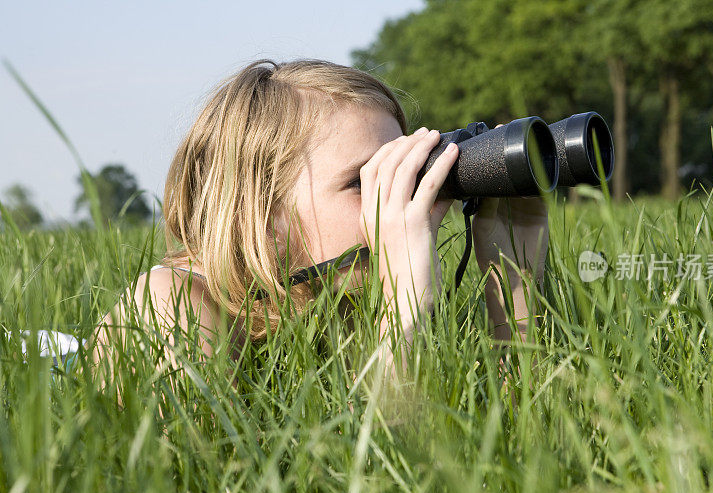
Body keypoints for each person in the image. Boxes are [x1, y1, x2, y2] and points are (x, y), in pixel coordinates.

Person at [90, 58, 549, 385]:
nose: (400, 198)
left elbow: (505, 447)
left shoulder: (336, 306)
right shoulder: (173, 305)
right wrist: (405, 308)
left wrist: (515, 272)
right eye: (362, 182)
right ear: (259, 209)